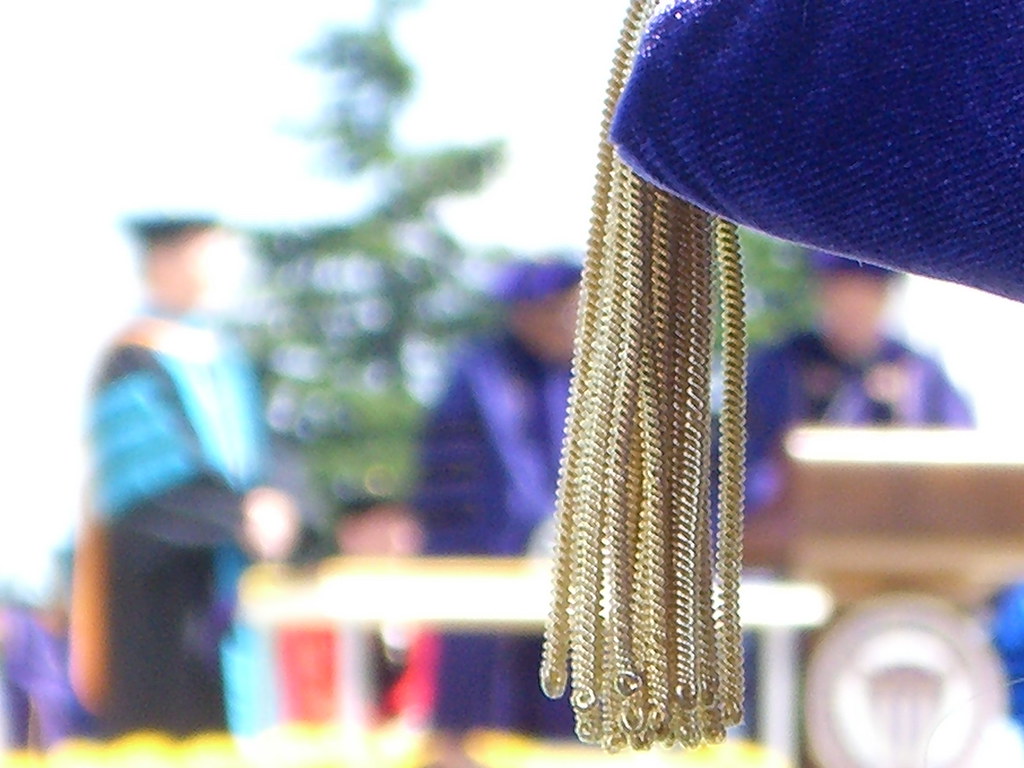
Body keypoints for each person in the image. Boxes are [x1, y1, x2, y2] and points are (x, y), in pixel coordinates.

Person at [78, 214, 300, 738]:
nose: (224, 266)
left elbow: (277, 449)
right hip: (166, 598)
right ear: (163, 261)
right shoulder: (131, 359)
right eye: (208, 251)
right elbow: (144, 483)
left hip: (239, 588)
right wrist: (239, 516)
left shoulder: (232, 358)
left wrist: (283, 503)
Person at [413, 257, 581, 767]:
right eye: (559, 308)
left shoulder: (587, 375)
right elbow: (508, 477)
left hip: (566, 579)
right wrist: (549, 530)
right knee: (473, 719)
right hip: (485, 562)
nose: (571, 318)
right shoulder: (483, 374)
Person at [743, 249, 973, 569]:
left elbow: (961, 476)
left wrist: (900, 421)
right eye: (842, 291)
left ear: (885, 297)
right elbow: (742, 471)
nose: (853, 307)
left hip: (901, 558)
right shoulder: (781, 368)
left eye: (866, 292)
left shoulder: (921, 376)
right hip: (791, 558)